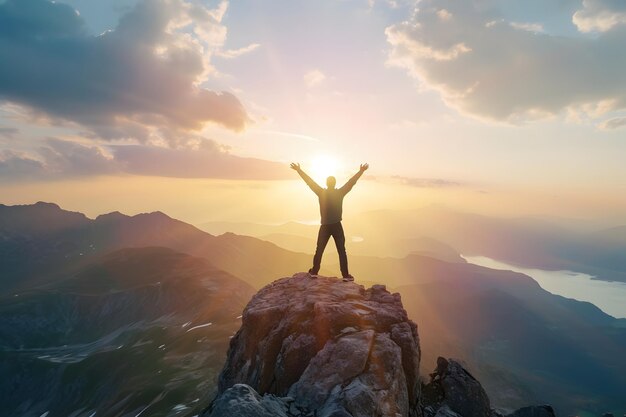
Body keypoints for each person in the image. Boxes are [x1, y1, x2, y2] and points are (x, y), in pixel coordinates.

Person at [290, 162, 369, 281]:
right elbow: (351, 182)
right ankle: (346, 275)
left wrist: (299, 170)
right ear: (335, 183)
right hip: (337, 225)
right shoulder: (340, 193)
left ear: (326, 183)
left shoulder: (321, 193)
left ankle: (314, 271)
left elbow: (309, 182)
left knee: (319, 249)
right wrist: (361, 171)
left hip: (325, 226)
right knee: (342, 250)